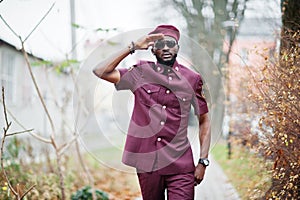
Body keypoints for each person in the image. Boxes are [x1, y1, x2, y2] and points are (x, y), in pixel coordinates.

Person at [93, 25, 211, 200]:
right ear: (152, 50)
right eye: (159, 43)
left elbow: (204, 119)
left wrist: (203, 161)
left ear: (177, 47)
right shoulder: (140, 73)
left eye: (170, 43)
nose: (165, 47)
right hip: (148, 163)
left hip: (180, 164)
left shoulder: (192, 79)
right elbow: (100, 71)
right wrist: (132, 47)